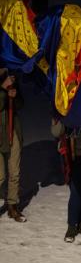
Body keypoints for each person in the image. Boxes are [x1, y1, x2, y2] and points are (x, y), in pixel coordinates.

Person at [51, 119, 81, 242]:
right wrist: (59, 121)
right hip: (71, 154)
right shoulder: (66, 105)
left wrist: (80, 131)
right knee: (76, 191)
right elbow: (56, 132)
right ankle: (72, 226)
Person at [0, 68, 26, 222]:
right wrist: (3, 89)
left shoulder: (12, 78)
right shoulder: (4, 81)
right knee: (1, 176)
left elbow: (20, 104)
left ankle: (12, 205)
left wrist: (14, 96)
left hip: (12, 131)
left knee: (14, 172)